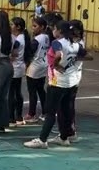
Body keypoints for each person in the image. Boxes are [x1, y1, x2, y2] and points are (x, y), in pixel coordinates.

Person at [24, 19, 83, 148]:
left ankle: (42, 139)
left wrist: (57, 64)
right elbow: (85, 55)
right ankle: (64, 137)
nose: (53, 31)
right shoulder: (76, 44)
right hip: (70, 82)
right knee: (66, 110)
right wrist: (72, 63)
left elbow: (57, 55)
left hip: (57, 82)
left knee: (51, 112)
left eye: (54, 28)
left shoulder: (57, 43)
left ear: (60, 31)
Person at [25, 16, 50, 123]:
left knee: (32, 91)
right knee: (41, 90)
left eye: (35, 26)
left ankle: (31, 114)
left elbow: (30, 53)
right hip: (44, 64)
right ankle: (45, 111)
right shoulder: (47, 37)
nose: (33, 28)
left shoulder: (36, 40)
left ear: (42, 27)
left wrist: (26, 65)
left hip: (35, 66)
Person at [8, 17, 28, 126]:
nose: (11, 27)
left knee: (12, 93)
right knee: (17, 92)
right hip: (20, 67)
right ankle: (19, 117)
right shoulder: (24, 37)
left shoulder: (18, 41)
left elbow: (13, 54)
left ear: (18, 27)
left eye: (12, 24)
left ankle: (11, 118)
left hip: (15, 67)